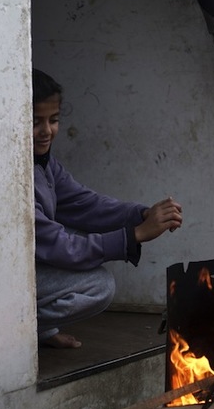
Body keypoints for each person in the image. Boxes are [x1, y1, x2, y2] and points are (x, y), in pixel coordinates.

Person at [32, 69, 183, 348]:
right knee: (99, 286)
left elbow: (85, 204)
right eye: (35, 122)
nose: (47, 131)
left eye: (53, 120)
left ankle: (38, 330)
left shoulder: (44, 164)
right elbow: (60, 246)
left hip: (29, 270)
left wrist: (141, 214)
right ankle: (11, 331)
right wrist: (134, 235)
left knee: (78, 228)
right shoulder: (14, 177)